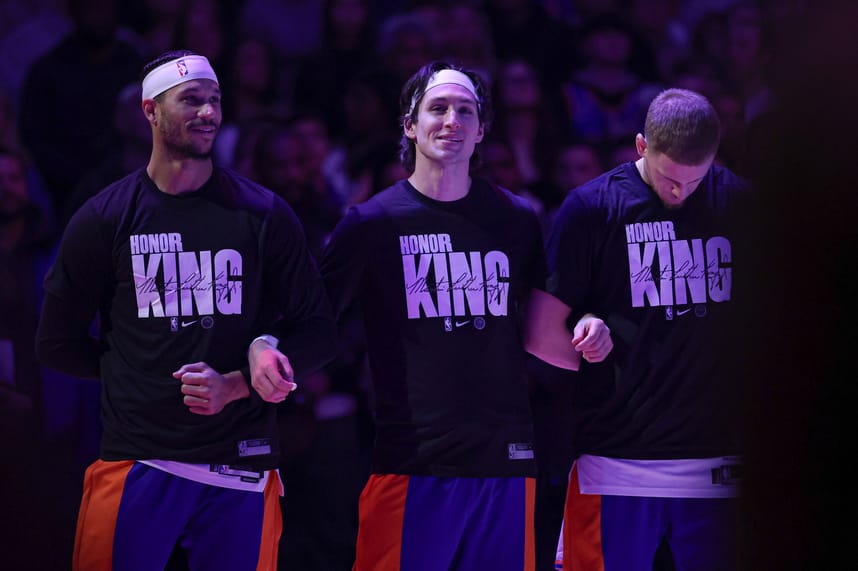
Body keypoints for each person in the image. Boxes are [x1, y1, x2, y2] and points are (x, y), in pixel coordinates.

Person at [250, 60, 610, 570]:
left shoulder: (517, 220)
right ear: (409, 125)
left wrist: (587, 328)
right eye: (437, 108)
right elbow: (314, 318)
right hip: (411, 465)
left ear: (482, 129)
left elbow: (543, 325)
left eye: (466, 110)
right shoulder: (371, 223)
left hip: (506, 463)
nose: (452, 121)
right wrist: (265, 346)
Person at [35, 50, 337, 571]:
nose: (208, 112)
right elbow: (55, 342)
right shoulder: (105, 217)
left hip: (239, 460)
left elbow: (319, 331)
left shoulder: (263, 214)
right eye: (191, 99)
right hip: (138, 458)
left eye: (215, 100)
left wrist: (240, 381)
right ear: (150, 111)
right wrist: (134, 374)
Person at [525, 88, 749, 571]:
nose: (681, 193)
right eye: (670, 179)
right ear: (641, 146)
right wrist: (589, 349)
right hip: (615, 462)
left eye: (695, 180)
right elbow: (541, 333)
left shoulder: (738, 203)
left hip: (719, 464)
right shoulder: (592, 208)